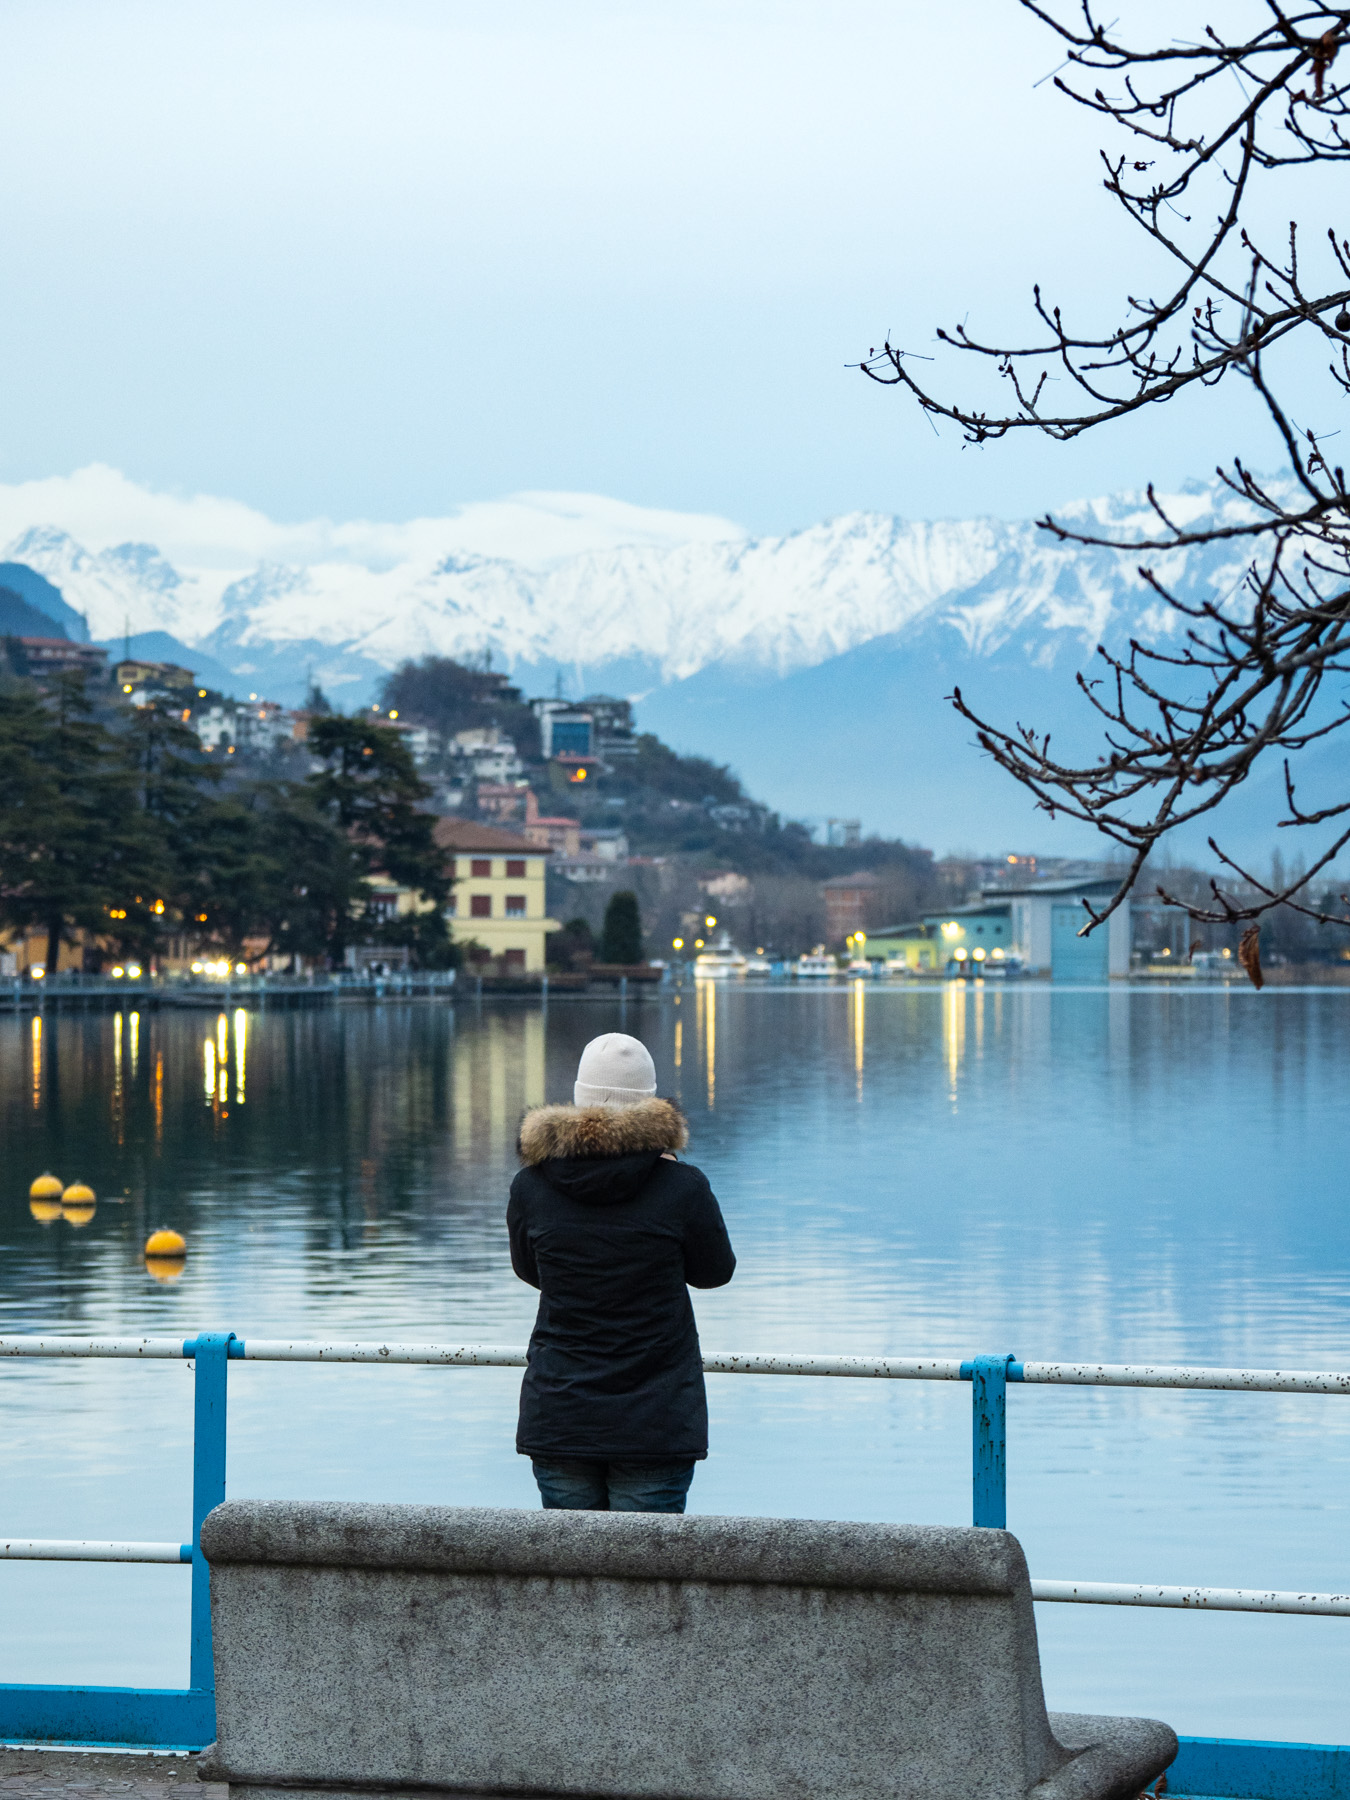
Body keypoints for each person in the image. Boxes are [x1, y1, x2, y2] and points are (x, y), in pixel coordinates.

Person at [507, 1031, 735, 1513]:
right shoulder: (682, 1188)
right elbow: (714, 1273)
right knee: (644, 1580)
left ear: (577, 1097)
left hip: (561, 1414)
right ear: (649, 1101)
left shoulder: (531, 1186)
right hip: (656, 1418)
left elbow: (532, 1272)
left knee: (572, 1575)